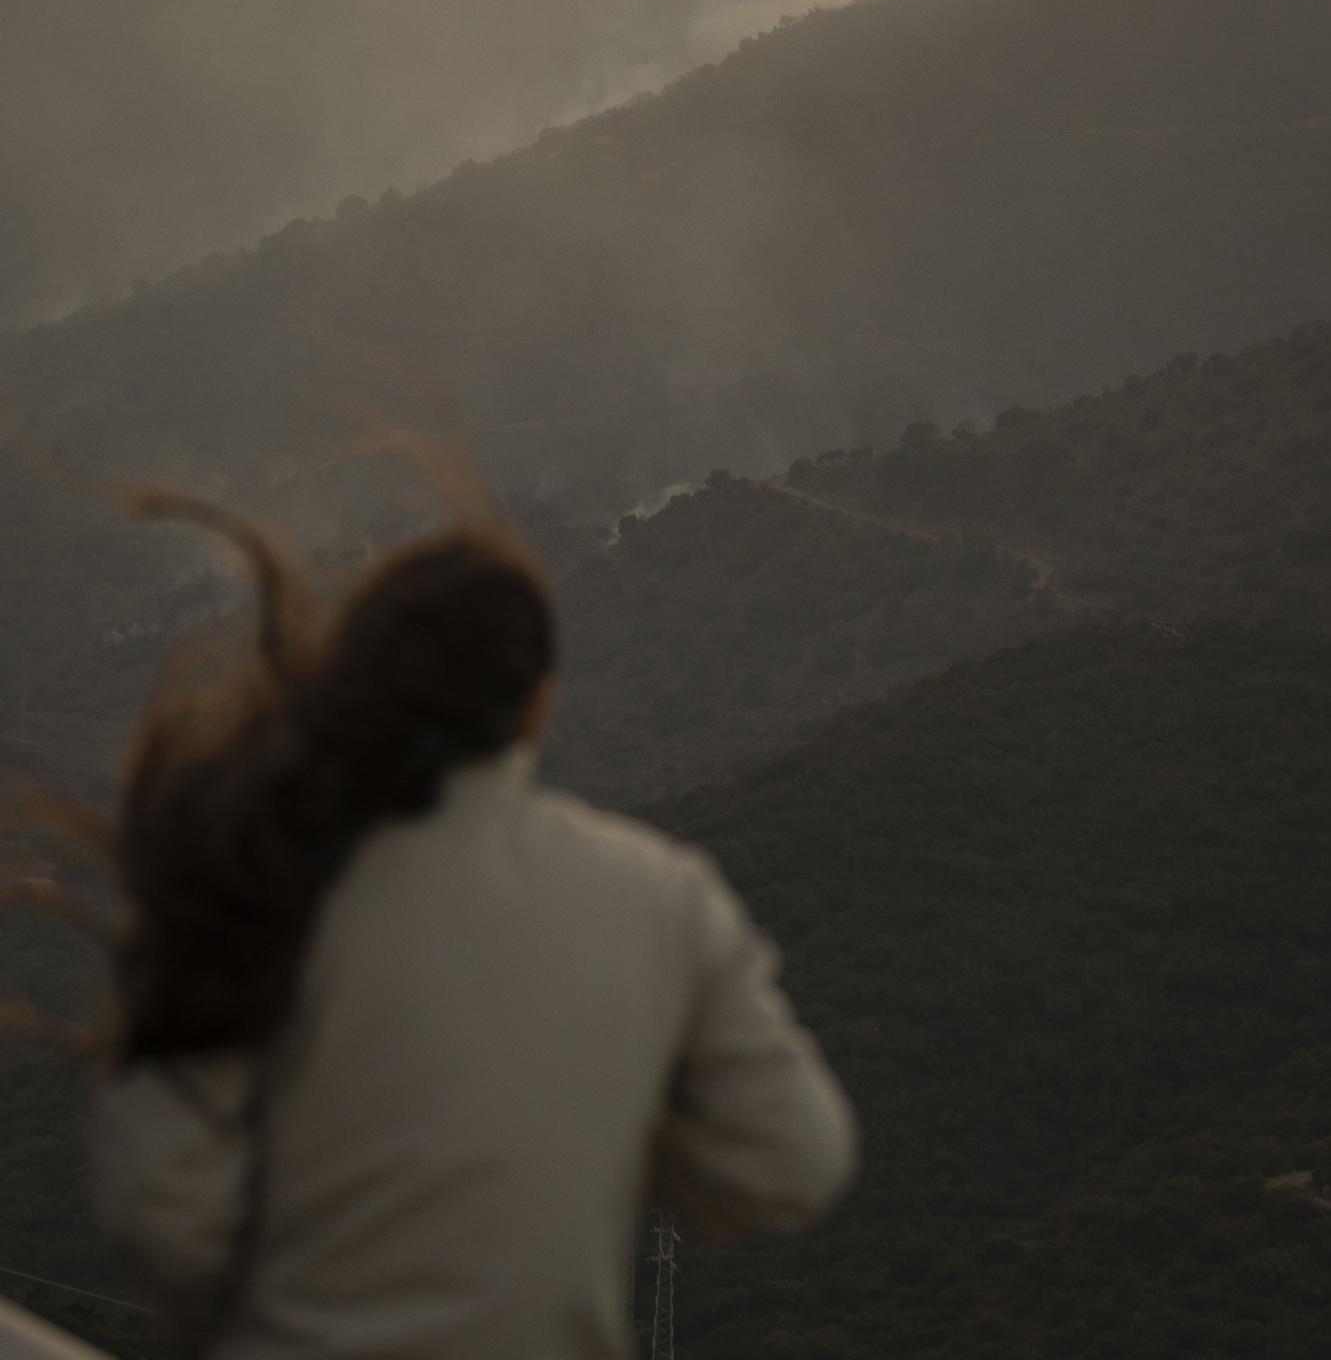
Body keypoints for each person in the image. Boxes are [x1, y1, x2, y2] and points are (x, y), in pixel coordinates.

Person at [86, 487, 858, 1358]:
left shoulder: (263, 878)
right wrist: (581, 1144)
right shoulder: (663, 895)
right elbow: (794, 1160)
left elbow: (158, 1204)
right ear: (536, 706)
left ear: (364, 686)